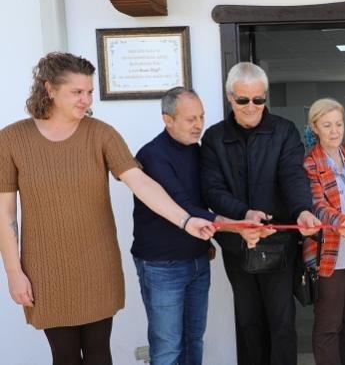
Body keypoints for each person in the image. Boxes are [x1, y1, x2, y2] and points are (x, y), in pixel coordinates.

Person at [0, 52, 215, 365]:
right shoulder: (12, 139)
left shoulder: (101, 133)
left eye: (89, 92)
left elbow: (140, 183)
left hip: (97, 264)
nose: (86, 100)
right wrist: (14, 272)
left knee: (100, 353)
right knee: (64, 356)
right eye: (77, 92)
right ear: (49, 88)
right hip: (45, 269)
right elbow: (6, 214)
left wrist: (186, 221)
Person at [132, 87, 268, 365]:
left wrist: (239, 219)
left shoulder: (197, 151)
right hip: (162, 265)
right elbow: (185, 208)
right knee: (168, 347)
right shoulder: (152, 155)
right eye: (190, 119)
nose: (198, 125)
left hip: (196, 258)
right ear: (167, 120)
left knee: (194, 339)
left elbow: (209, 196)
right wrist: (237, 226)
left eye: (202, 117)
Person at [200, 62, 321, 365]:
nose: (251, 107)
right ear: (230, 97)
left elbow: (293, 176)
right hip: (237, 244)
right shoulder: (214, 138)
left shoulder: (283, 130)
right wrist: (243, 214)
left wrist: (302, 210)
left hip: (277, 240)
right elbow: (212, 190)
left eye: (258, 99)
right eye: (243, 100)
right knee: (249, 322)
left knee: (282, 324)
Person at [301, 98, 345, 365]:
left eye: (338, 124)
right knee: (328, 324)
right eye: (327, 125)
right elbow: (316, 205)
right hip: (328, 256)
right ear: (315, 127)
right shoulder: (310, 163)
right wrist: (341, 221)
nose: (334, 130)